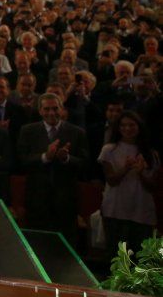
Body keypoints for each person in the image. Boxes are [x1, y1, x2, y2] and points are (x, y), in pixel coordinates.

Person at [17, 93, 88, 244]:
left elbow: (85, 163)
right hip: (37, 201)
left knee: (65, 249)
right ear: (40, 111)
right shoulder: (27, 131)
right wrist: (45, 157)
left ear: (62, 109)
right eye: (47, 109)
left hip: (66, 202)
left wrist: (66, 158)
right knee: (38, 245)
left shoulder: (77, 132)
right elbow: (22, 161)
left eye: (55, 108)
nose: (51, 113)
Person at [98, 111, 159, 255]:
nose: (127, 129)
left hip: (141, 210)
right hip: (115, 209)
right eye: (123, 125)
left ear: (139, 127)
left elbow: (153, 187)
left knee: (140, 259)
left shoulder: (151, 153)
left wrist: (141, 173)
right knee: (116, 257)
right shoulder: (109, 150)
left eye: (131, 125)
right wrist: (126, 168)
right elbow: (112, 180)